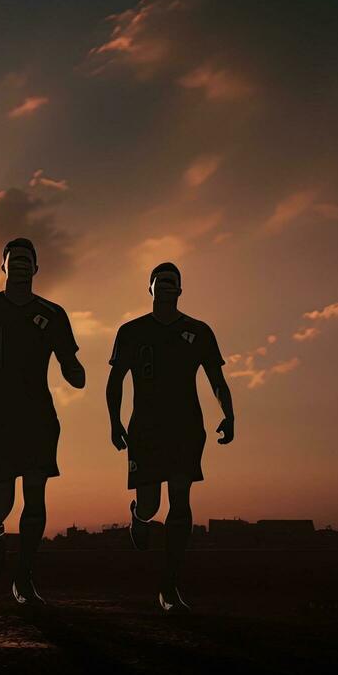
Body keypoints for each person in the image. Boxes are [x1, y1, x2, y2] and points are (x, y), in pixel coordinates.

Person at [0, 237, 83, 607]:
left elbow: (70, 362)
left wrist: (74, 370)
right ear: (3, 266)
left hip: (39, 416)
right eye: (15, 259)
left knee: (36, 495)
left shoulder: (53, 314)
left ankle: (24, 579)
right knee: (4, 499)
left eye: (28, 260)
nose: (21, 264)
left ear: (36, 268)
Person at [106, 262, 234, 612]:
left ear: (180, 290)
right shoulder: (131, 332)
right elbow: (115, 381)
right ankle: (139, 516)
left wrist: (229, 414)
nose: (164, 286)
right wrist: (113, 421)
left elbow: (216, 380)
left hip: (186, 427)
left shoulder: (199, 331)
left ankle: (170, 586)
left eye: (171, 282)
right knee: (152, 504)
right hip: (145, 429)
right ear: (150, 289)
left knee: (180, 499)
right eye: (159, 281)